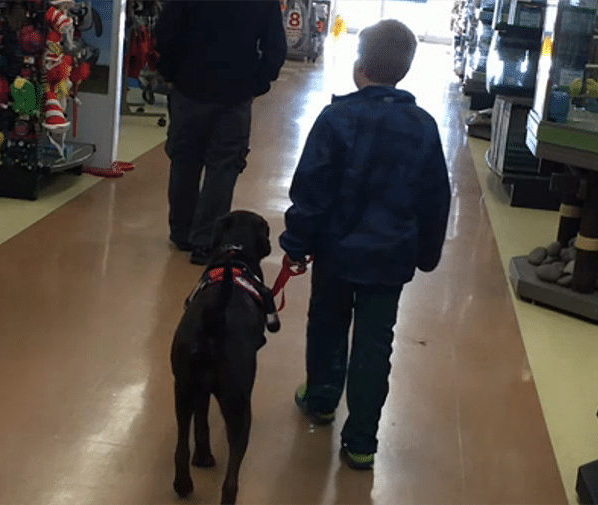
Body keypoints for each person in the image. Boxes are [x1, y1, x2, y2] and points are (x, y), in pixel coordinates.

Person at [279, 19, 452, 470]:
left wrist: (297, 243)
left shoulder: (336, 118)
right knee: (376, 344)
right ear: (405, 70)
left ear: (359, 66)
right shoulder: (423, 127)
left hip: (337, 253)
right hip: (391, 258)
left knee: (327, 326)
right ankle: (362, 442)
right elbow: (435, 197)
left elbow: (311, 189)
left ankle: (320, 398)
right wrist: (427, 253)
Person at [155, 0, 287, 265]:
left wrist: (171, 73)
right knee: (224, 166)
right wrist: (258, 81)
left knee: (184, 160)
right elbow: (275, 46)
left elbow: (166, 33)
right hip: (235, 92)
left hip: (189, 87)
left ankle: (182, 231)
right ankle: (206, 241)